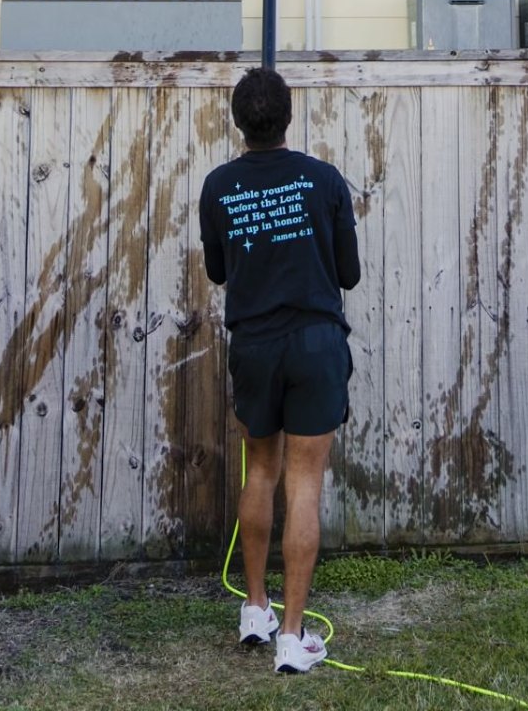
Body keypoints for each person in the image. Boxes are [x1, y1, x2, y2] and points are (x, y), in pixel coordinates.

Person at [199, 66, 360, 675]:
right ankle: (292, 640)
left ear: (240, 122)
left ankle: (256, 610)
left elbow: (218, 272)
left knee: (262, 470)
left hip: (255, 347)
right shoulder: (323, 180)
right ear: (287, 118)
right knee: (306, 484)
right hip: (316, 344)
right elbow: (348, 274)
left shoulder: (218, 187)